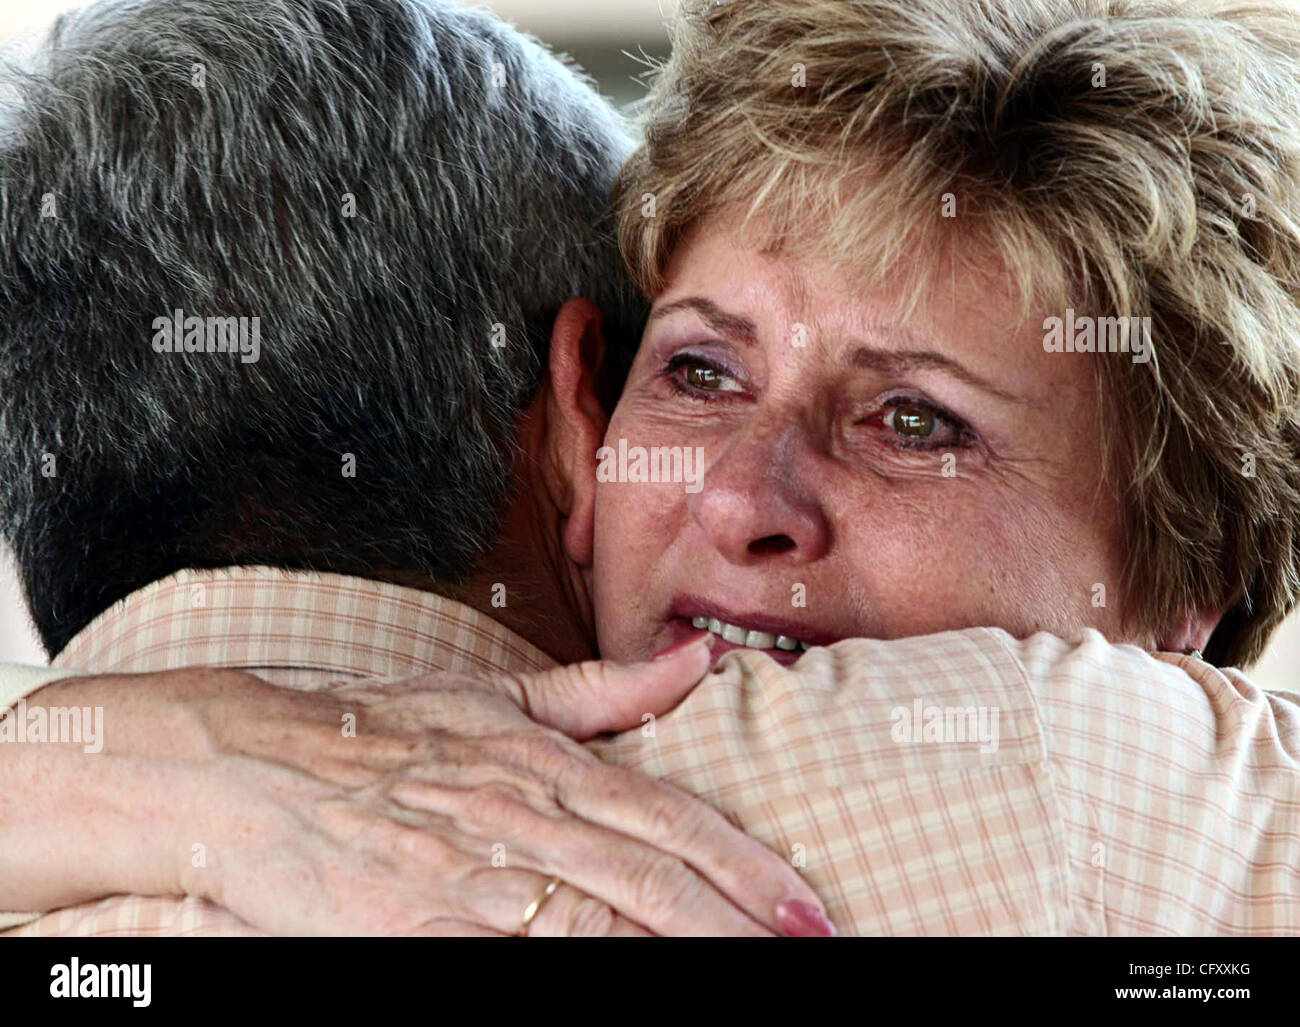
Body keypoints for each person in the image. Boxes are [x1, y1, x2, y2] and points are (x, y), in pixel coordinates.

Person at [5, 0, 1300, 935]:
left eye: (914, 421)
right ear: (588, 419)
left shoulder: (1084, 769)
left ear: (1191, 587)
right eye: (701, 371)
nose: (741, 497)